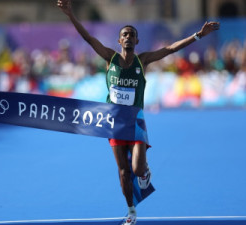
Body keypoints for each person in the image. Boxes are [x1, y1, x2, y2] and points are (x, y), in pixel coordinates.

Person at [57, 1, 220, 224]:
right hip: (113, 123)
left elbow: (170, 49)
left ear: (137, 40)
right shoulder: (109, 58)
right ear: (118, 40)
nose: (128, 37)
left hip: (135, 121)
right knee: (124, 172)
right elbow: (88, 38)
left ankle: (144, 170)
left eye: (132, 34)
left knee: (137, 168)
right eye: (124, 34)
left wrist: (198, 36)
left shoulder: (142, 60)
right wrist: (70, 14)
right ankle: (131, 211)